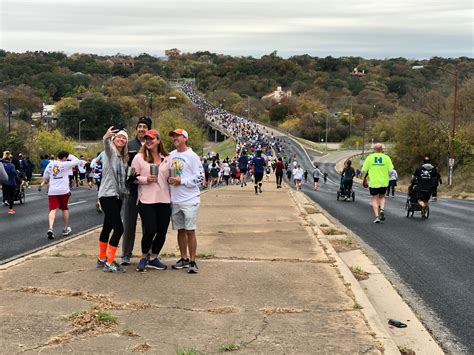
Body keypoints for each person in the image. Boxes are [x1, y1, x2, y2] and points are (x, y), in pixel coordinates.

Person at [131, 129, 171, 272]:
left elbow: (171, 176)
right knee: (150, 230)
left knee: (162, 231)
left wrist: (173, 179)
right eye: (146, 139)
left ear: (158, 140)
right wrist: (145, 179)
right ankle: (143, 257)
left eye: (151, 139)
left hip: (164, 199)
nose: (148, 141)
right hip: (146, 200)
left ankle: (153, 258)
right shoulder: (139, 157)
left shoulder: (167, 158)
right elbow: (131, 178)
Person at [168, 129, 204, 274]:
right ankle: (183, 258)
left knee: (190, 230)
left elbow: (201, 177)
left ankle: (193, 261)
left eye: (178, 136)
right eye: (173, 137)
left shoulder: (193, 156)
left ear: (185, 138)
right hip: (175, 199)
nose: (175, 138)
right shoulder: (171, 155)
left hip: (190, 199)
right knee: (180, 230)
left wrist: (181, 181)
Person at [121, 116, 152, 266]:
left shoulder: (153, 145)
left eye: (144, 127)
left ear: (149, 129)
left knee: (149, 225)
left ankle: (147, 254)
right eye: (139, 126)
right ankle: (126, 254)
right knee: (129, 224)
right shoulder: (129, 145)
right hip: (131, 190)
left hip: (149, 191)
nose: (141, 129)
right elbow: (124, 165)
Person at [97, 127, 129, 273]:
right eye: (119, 137)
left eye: (124, 138)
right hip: (107, 195)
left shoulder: (123, 158)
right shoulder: (110, 153)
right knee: (119, 228)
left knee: (107, 227)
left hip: (118, 195)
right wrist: (106, 137)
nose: (121, 140)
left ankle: (102, 258)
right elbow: (106, 144)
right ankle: (110, 262)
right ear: (114, 140)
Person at [40, 150, 82, 239]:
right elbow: (77, 161)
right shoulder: (65, 164)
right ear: (64, 158)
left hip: (52, 191)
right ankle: (65, 228)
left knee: (52, 209)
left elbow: (45, 177)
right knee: (64, 208)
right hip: (63, 190)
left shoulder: (50, 164)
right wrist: (70, 155)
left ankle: (50, 227)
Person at [361, 143, 394, 223]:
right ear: (382, 149)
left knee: (374, 198)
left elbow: (363, 170)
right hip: (384, 181)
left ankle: (376, 217)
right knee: (382, 197)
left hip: (373, 182)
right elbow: (391, 170)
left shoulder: (370, 157)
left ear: (374, 149)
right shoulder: (386, 158)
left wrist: (363, 176)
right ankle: (382, 209)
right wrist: (388, 176)